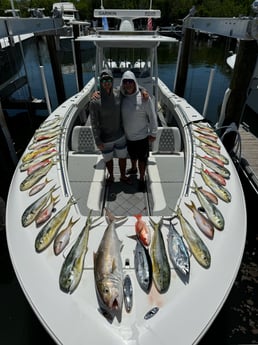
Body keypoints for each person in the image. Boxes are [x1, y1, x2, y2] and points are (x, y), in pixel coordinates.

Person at [89, 69, 131, 185]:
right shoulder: (95, 101)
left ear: (112, 81)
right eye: (103, 80)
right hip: (105, 138)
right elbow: (94, 123)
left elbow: (132, 89)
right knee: (108, 159)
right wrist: (97, 140)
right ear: (100, 82)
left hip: (120, 135)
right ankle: (111, 176)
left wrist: (143, 91)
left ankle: (123, 176)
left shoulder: (119, 93)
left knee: (122, 158)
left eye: (108, 79)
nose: (106, 82)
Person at [120, 70, 158, 191]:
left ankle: (141, 178)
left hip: (142, 136)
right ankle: (133, 168)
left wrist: (153, 133)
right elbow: (109, 90)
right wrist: (97, 93)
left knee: (142, 159)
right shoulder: (122, 96)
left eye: (130, 81)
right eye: (125, 81)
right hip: (128, 136)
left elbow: (152, 116)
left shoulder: (144, 98)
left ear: (134, 82)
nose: (128, 84)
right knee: (132, 155)